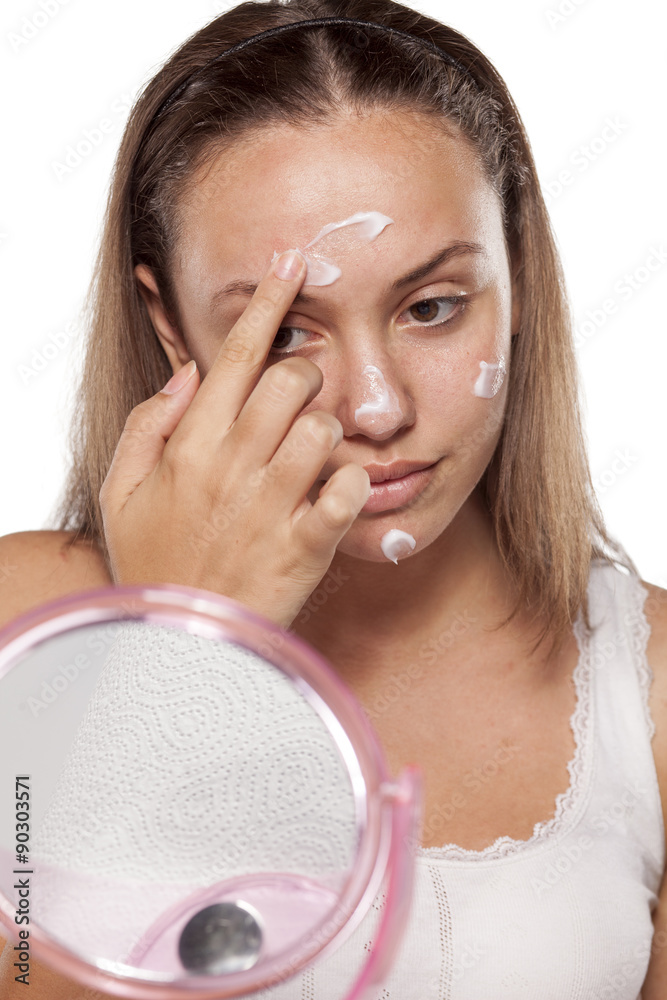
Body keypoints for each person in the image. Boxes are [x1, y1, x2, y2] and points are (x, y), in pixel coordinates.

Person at [1, 0, 666, 996]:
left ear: (517, 278)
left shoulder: (645, 690)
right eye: (286, 333)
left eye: (432, 307)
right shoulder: (25, 632)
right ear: (172, 328)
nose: (377, 407)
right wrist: (187, 648)